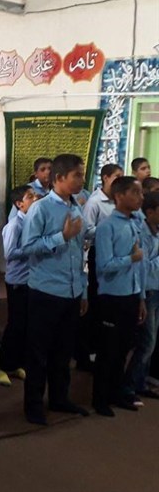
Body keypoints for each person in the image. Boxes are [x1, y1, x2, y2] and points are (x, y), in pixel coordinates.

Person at [21, 154, 91, 425]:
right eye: (77, 175)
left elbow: (80, 251)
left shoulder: (76, 207)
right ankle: (33, 405)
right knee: (39, 353)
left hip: (71, 291)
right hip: (46, 291)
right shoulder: (41, 209)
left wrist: (82, 290)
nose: (82, 180)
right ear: (60, 178)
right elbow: (27, 247)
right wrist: (62, 236)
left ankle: (60, 398)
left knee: (63, 352)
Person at [93, 176, 147, 416]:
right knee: (108, 350)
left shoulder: (136, 222)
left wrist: (141, 297)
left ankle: (116, 393)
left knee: (124, 348)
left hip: (131, 294)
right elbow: (104, 266)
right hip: (112, 297)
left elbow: (140, 266)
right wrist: (130, 258)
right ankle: (100, 399)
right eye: (135, 193)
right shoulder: (107, 226)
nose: (141, 198)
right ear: (119, 196)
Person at [79, 163, 124, 371]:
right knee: (96, 302)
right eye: (116, 176)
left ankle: (101, 347)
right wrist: (109, 231)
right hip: (98, 253)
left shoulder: (118, 200)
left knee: (108, 304)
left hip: (115, 254)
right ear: (105, 178)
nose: (119, 180)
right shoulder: (95, 202)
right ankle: (88, 351)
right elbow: (87, 230)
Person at [0, 185, 37, 387]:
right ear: (20, 204)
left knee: (27, 326)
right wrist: (35, 248)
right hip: (17, 281)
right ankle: (2, 367)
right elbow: (10, 253)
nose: (35, 199)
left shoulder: (32, 222)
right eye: (30, 197)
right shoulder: (14, 225)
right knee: (15, 325)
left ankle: (18, 363)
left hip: (31, 280)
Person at [124, 191, 159, 401]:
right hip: (147, 291)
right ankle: (128, 385)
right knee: (147, 341)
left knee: (151, 342)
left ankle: (140, 381)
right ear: (150, 212)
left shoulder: (156, 232)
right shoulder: (141, 233)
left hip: (157, 289)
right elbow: (142, 266)